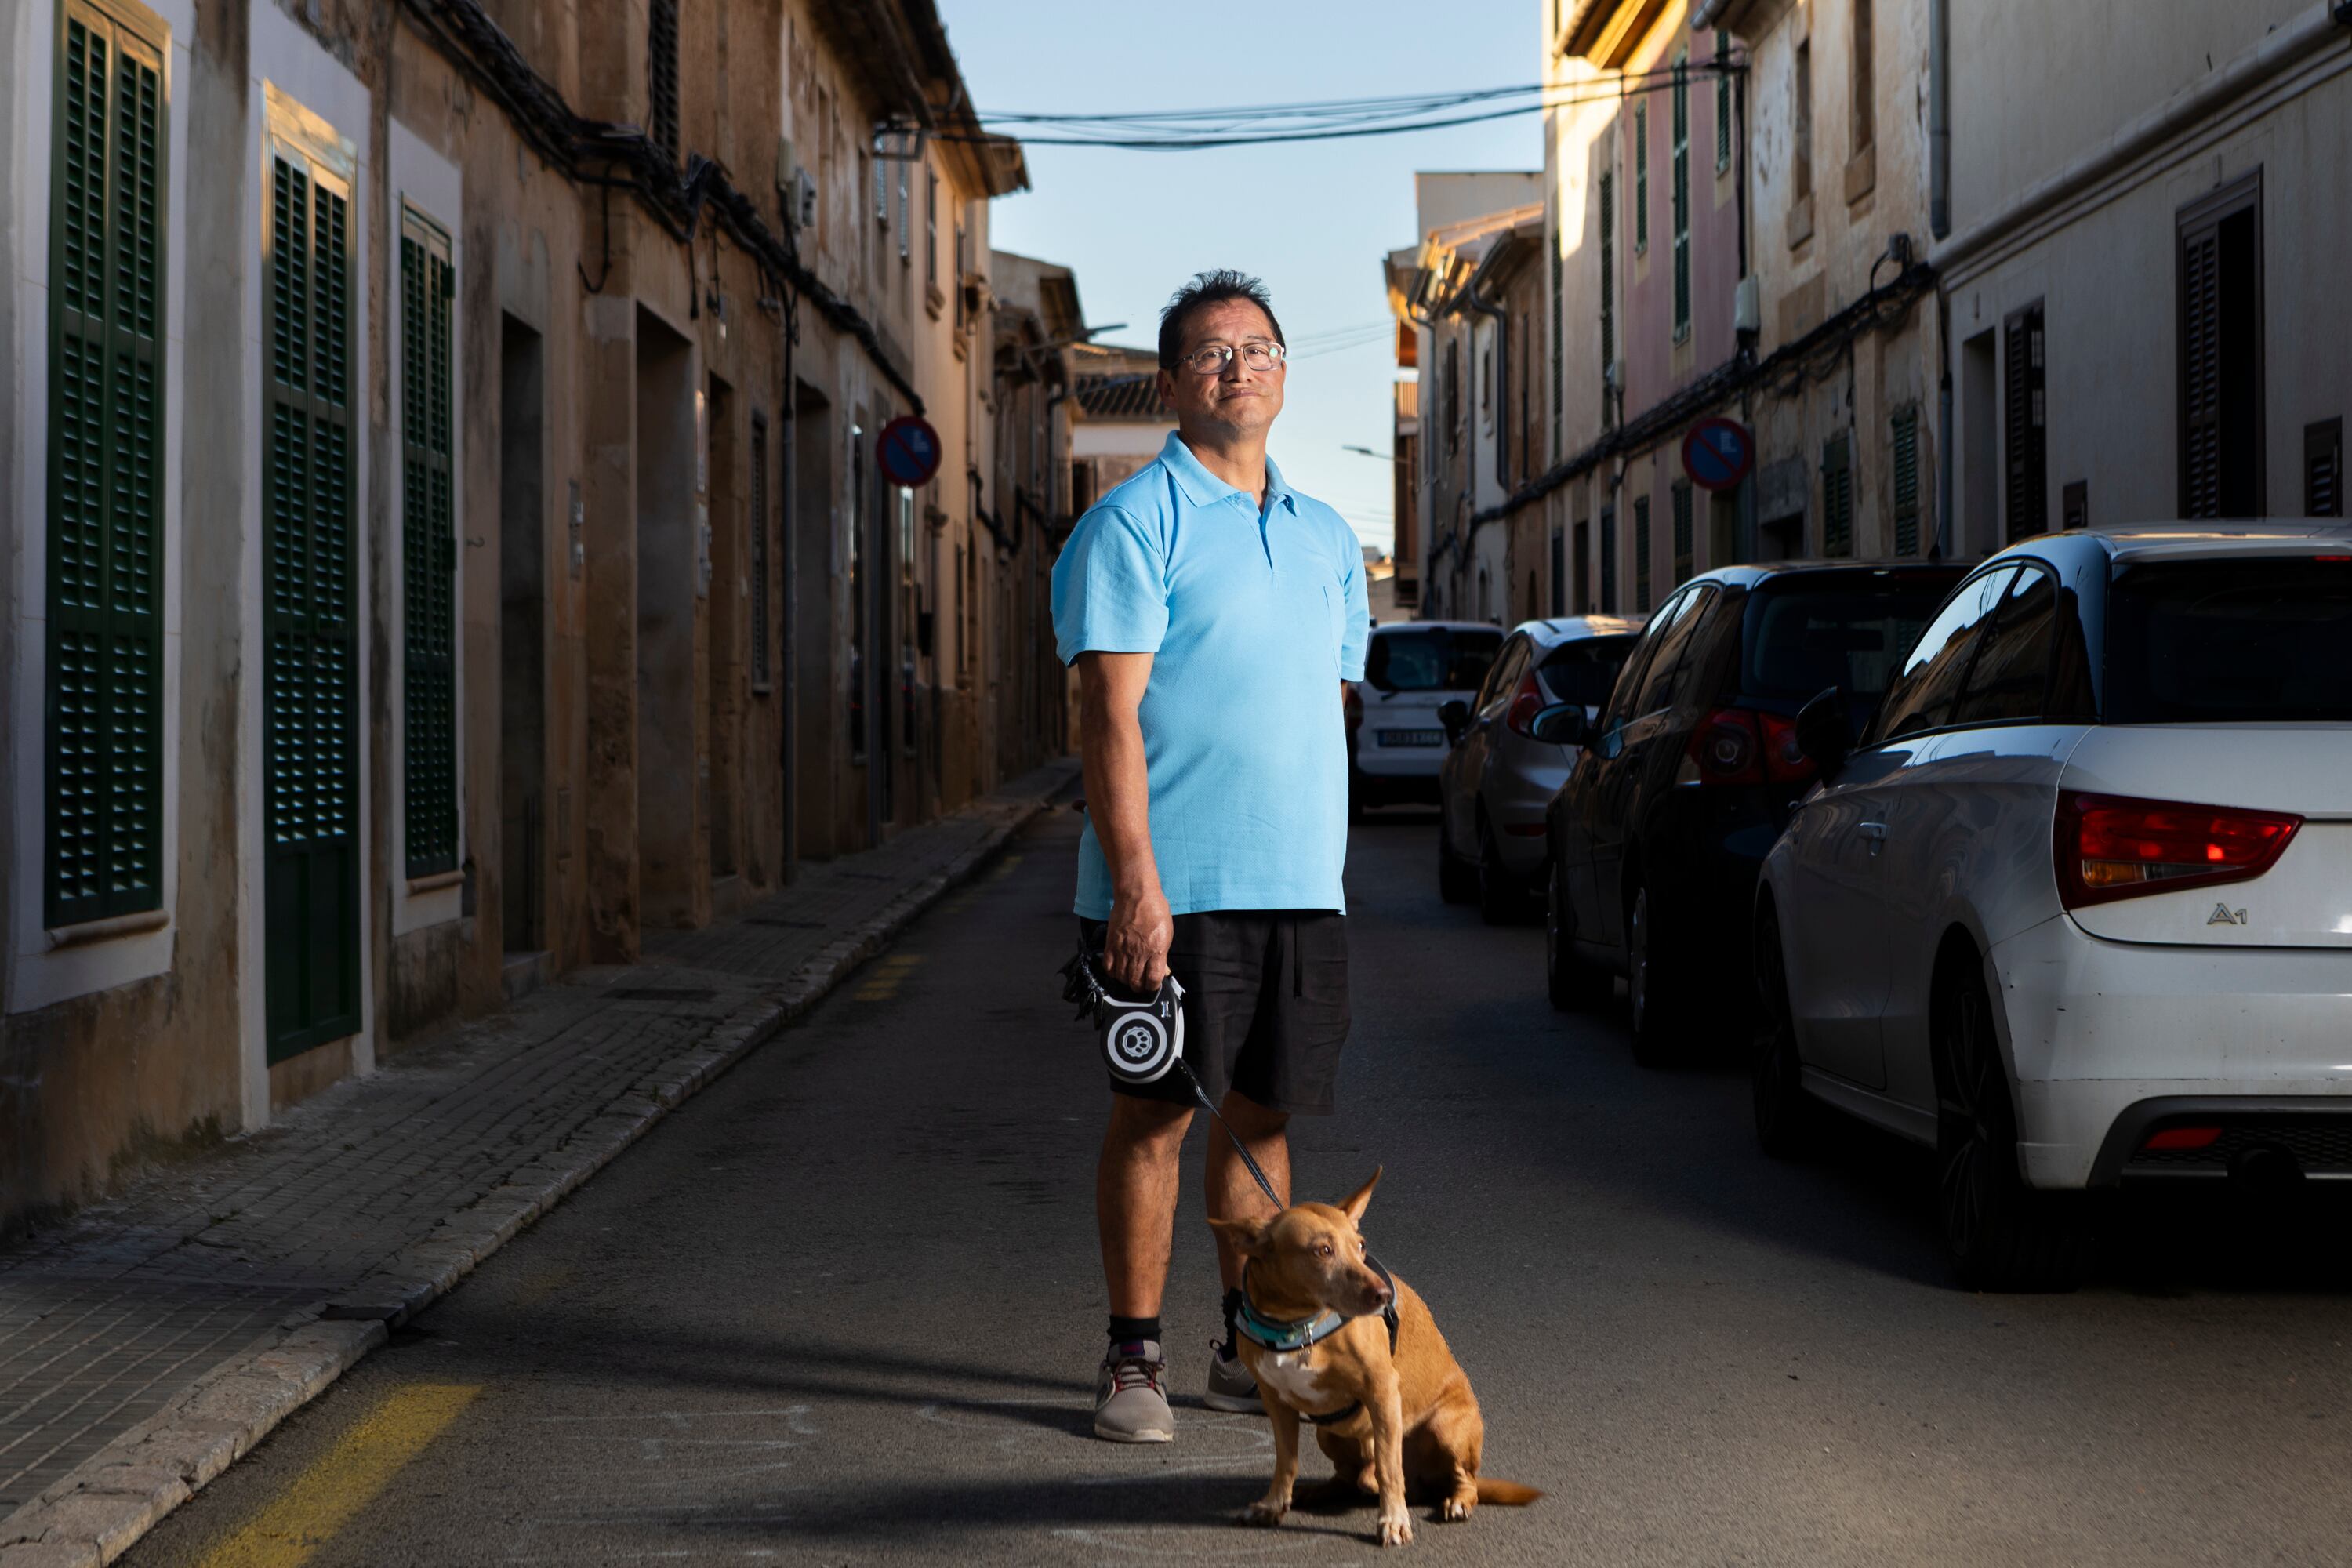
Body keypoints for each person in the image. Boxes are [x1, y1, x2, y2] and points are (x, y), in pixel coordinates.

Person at [1049, 270, 1369, 1443]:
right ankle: (1133, 1364)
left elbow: (1320, 701)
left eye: (1260, 349)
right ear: (1174, 384)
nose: (1240, 367)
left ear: (1285, 372)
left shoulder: (1332, 539)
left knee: (1267, 1119)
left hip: (1298, 891)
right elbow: (1108, 717)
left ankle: (1250, 1346)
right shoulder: (1133, 524)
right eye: (1212, 353)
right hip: (1172, 897)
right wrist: (1137, 884)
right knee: (1158, 1117)